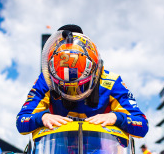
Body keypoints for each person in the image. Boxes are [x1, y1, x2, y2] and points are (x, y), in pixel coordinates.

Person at [16, 25, 148, 139]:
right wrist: (42, 118)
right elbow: (21, 122)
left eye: (79, 86)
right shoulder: (46, 79)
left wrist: (117, 117)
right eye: (65, 87)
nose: (74, 94)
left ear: (95, 70)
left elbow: (142, 125)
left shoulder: (111, 82)